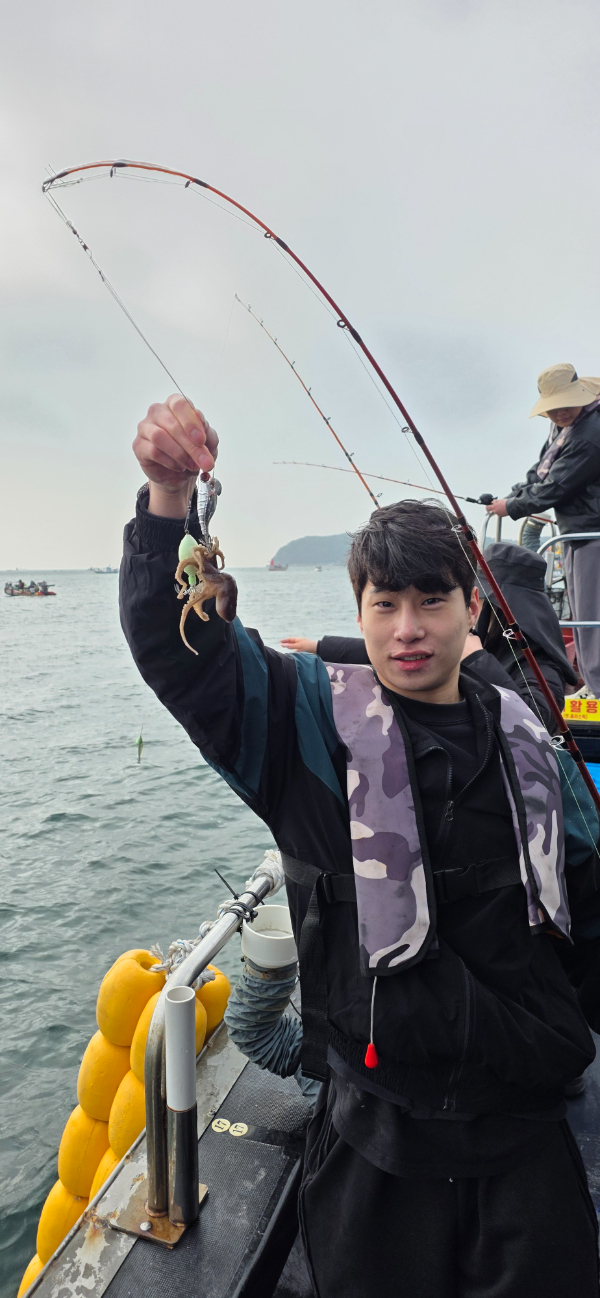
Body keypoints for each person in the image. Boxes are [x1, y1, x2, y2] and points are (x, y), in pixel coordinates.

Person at [121, 395, 600, 1298]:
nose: (408, 627)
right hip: (376, 1141)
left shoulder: (532, 744)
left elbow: (589, 911)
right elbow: (183, 656)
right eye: (386, 603)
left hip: (523, 1133)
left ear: (472, 610)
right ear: (361, 611)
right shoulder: (304, 727)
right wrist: (168, 500)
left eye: (433, 600)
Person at [282, 540, 578, 733]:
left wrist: (476, 658)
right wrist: (320, 646)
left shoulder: (542, 664)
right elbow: (401, 652)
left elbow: (537, 722)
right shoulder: (481, 639)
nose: (408, 632)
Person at [486, 362, 600, 698]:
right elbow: (541, 472)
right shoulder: (567, 427)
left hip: (591, 532)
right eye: (553, 407)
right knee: (582, 614)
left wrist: (511, 507)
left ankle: (597, 689)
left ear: (580, 396)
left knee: (591, 617)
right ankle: (592, 684)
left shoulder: (590, 434)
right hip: (578, 533)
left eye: (566, 404)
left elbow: (556, 487)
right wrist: (514, 494)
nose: (560, 412)